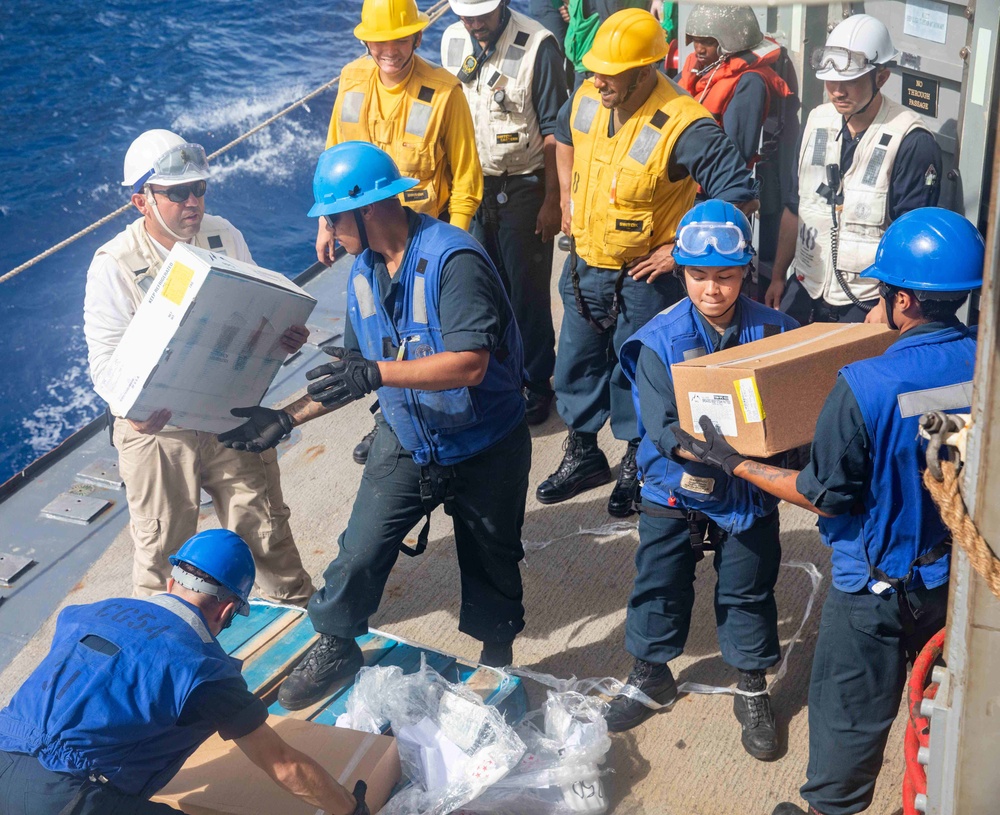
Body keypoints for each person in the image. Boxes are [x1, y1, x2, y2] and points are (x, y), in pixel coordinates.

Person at [673, 208, 983, 814]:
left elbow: (823, 493)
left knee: (847, 716)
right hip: (955, 581)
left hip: (875, 592)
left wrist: (732, 460)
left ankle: (831, 808)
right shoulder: (985, 362)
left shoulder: (866, 383)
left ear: (900, 299)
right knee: (945, 708)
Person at [219, 143, 531, 710]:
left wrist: (376, 374)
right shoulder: (363, 269)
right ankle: (337, 641)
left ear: (369, 210)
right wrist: (285, 418)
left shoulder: (453, 261)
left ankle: (495, 657)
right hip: (410, 436)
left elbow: (470, 363)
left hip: (485, 441)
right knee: (358, 550)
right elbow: (359, 370)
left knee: (492, 554)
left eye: (333, 218)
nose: (328, 232)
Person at [538, 8, 758, 518]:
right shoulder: (592, 93)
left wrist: (677, 249)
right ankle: (584, 453)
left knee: (639, 371)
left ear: (644, 71)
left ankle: (639, 458)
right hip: (586, 264)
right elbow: (564, 130)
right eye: (594, 70)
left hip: (643, 277)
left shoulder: (682, 121)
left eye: (608, 72)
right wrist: (568, 197)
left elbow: (737, 190)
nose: (596, 79)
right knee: (577, 361)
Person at [83, 129, 314, 606]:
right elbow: (104, 364)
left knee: (264, 527)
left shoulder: (224, 235)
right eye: (178, 192)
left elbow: (259, 316)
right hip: (157, 431)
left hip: (226, 409)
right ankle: (162, 649)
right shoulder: (113, 265)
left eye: (200, 189)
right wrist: (130, 411)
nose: (193, 202)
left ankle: (299, 617)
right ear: (141, 201)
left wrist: (282, 339)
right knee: (162, 550)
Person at [605, 201, 796, 761]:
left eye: (726, 276)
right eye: (699, 275)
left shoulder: (776, 331)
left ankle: (752, 685)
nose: (712, 289)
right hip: (673, 484)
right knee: (659, 581)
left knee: (749, 587)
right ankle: (651, 673)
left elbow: (798, 403)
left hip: (748, 489)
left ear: (746, 273)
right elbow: (660, 425)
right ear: (681, 272)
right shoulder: (656, 340)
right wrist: (696, 449)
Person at [0, 530, 368, 815]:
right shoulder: (205, 672)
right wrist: (351, 808)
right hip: (58, 799)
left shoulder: (87, 612)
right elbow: (285, 766)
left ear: (171, 581)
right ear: (227, 612)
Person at [318, 0, 485, 466]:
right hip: (366, 243)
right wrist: (325, 223)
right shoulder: (351, 81)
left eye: (399, 38)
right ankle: (388, 419)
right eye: (380, 40)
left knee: (430, 336)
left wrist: (451, 248)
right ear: (367, 41)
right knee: (371, 335)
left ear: (416, 37)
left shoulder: (445, 92)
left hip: (423, 241)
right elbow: (334, 156)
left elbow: (467, 179)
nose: (389, 49)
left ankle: (454, 419)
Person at [764, 14, 942, 324]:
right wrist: (778, 276)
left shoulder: (912, 142)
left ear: (881, 78)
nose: (837, 91)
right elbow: (794, 207)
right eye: (830, 80)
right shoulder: (817, 122)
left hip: (865, 302)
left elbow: (909, 237)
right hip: (807, 288)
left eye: (850, 81)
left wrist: (888, 305)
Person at [441, 0, 567, 424]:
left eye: (481, 15)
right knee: (480, 289)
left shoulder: (539, 46)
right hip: (473, 189)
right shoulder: (452, 40)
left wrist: (554, 200)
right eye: (466, 15)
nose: (474, 24)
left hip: (524, 186)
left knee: (526, 294)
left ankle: (536, 382)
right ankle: (497, 376)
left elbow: (554, 130)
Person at [678, 4, 797, 297]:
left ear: (730, 42)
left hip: (712, 194)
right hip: (683, 185)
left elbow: (737, 150)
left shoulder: (750, 82)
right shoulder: (699, 68)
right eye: (696, 39)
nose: (699, 47)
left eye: (708, 41)